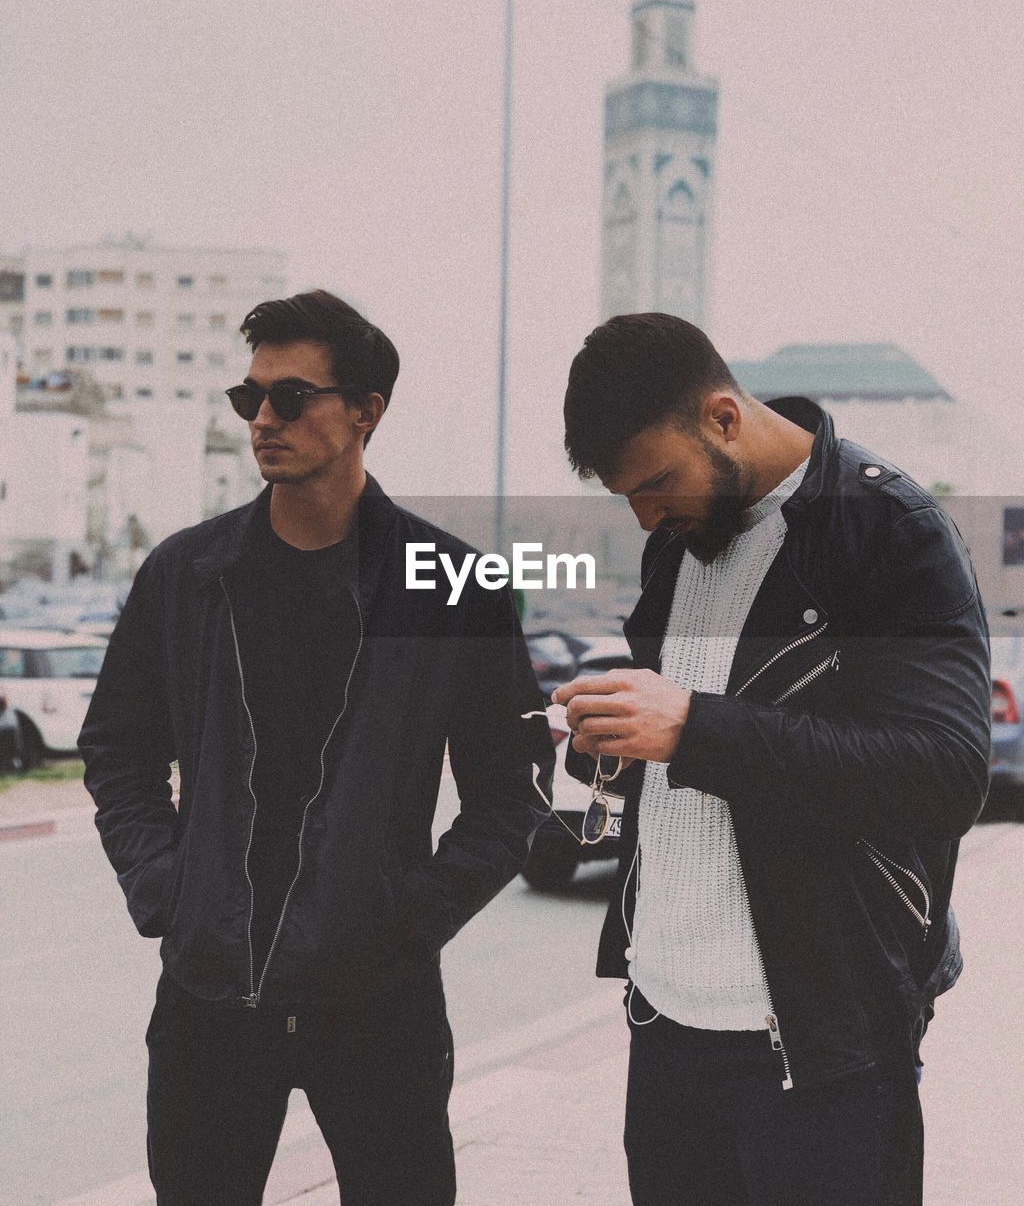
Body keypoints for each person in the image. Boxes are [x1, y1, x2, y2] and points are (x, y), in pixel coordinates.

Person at [80, 289, 554, 1206]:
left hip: (377, 1005)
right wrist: (164, 886)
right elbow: (117, 751)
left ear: (367, 412)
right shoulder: (186, 573)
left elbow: (512, 793)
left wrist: (406, 924)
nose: (263, 419)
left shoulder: (454, 585)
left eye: (291, 397)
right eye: (248, 398)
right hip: (209, 1001)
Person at [551, 312, 990, 1206]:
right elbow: (699, 747)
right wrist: (623, 740)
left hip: (821, 1046)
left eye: (656, 482)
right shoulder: (682, 540)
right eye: (626, 495)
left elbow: (943, 773)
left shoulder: (884, 527)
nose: (647, 514)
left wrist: (694, 728)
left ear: (721, 417)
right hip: (665, 1028)